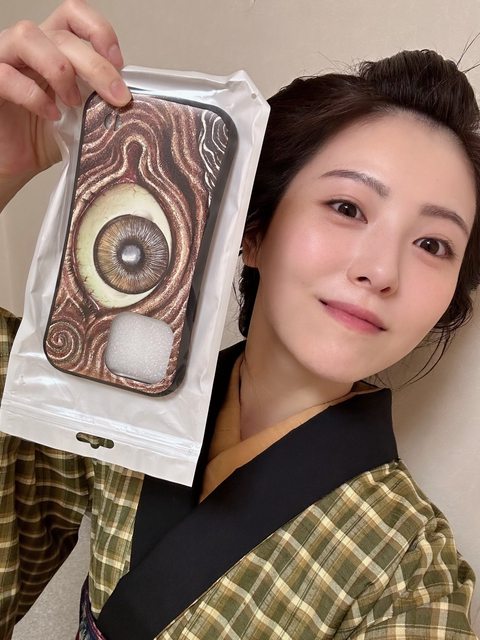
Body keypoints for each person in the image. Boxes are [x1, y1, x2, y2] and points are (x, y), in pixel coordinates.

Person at [0, 1, 478, 638]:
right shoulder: (121, 400)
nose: (381, 270)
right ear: (251, 232)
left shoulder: (410, 575)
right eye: (347, 207)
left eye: (434, 244)